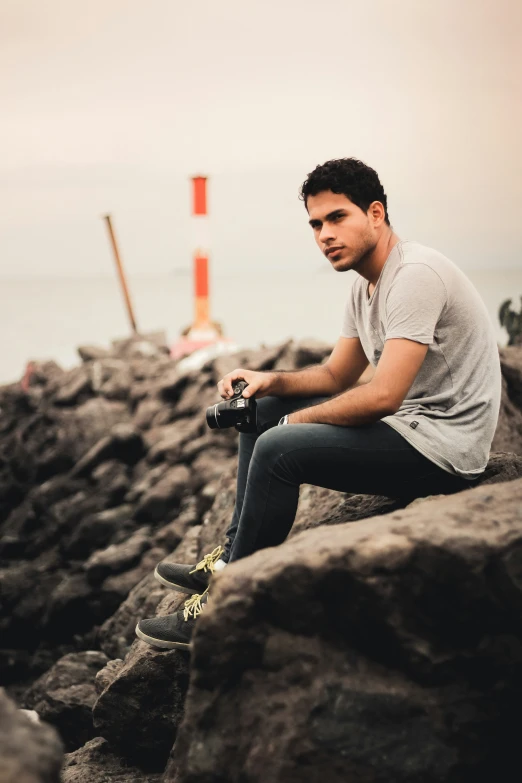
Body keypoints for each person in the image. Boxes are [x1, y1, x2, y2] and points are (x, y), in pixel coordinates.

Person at [135, 157, 502, 650]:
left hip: (447, 447)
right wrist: (269, 381)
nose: (324, 234)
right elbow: (336, 374)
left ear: (376, 214)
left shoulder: (414, 275)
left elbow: (384, 395)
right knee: (262, 411)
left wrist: (293, 422)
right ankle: (229, 557)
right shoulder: (364, 285)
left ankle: (225, 602)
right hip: (413, 428)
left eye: (337, 218)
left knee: (278, 446)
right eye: (315, 223)